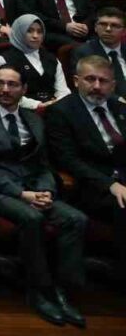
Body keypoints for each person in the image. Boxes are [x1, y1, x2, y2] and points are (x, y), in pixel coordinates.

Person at [0, 65, 88, 327]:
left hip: (35, 187)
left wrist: (46, 191)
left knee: (76, 219)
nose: (5, 89)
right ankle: (39, 289)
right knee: (32, 218)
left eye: (12, 84)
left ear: (24, 89)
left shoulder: (33, 119)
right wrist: (23, 194)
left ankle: (62, 291)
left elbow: (43, 164)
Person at [45, 53, 126, 284]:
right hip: (89, 186)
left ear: (113, 85)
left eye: (103, 81)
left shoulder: (120, 108)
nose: (97, 86)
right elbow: (68, 160)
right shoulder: (61, 112)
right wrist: (110, 185)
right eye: (90, 79)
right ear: (76, 80)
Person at [0, 14, 70, 108]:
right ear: (19, 32)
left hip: (54, 108)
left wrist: (57, 103)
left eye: (39, 32)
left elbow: (63, 91)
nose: (35, 36)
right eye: (29, 31)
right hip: (20, 109)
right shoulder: (5, 59)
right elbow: (6, 93)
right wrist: (37, 105)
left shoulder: (51, 58)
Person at [71, 6, 126, 99]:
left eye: (114, 25)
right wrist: (119, 101)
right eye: (103, 24)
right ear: (95, 28)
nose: (108, 29)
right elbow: (87, 88)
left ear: (124, 31)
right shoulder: (84, 52)